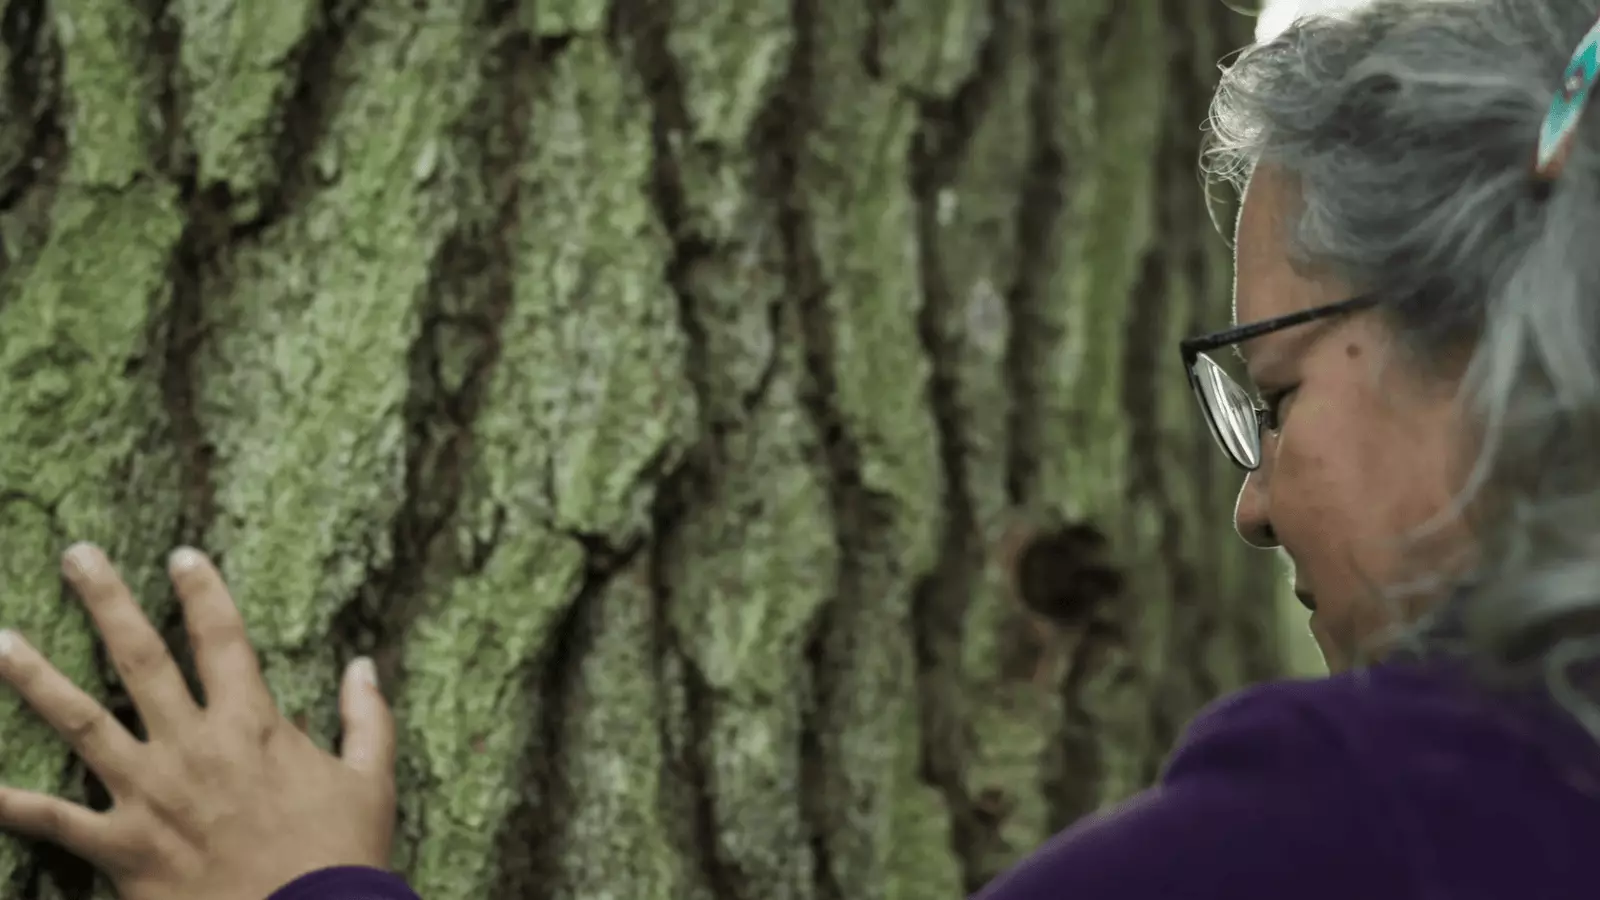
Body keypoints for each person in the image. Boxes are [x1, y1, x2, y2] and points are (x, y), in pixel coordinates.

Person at [4, 0, 1600, 897]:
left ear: (1480, 338)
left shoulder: (1392, 806)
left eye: (1277, 390)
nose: (1245, 503)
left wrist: (298, 894)